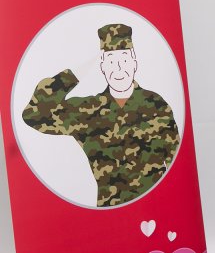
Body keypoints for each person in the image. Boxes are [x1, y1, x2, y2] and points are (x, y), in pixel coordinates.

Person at [22, 23, 180, 207]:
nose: (119, 69)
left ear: (134, 63)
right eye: (111, 61)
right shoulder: (87, 111)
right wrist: (76, 74)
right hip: (109, 213)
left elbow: (177, 163)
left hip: (157, 207)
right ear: (102, 66)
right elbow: (34, 114)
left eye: (124, 60)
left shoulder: (157, 106)